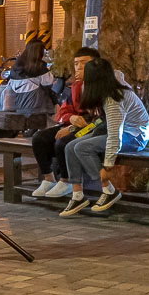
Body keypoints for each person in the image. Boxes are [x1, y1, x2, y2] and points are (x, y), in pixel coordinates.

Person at [60, 58, 149, 216]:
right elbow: (105, 125)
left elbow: (115, 135)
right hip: (115, 131)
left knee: (82, 147)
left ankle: (108, 189)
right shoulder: (104, 88)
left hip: (135, 136)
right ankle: (77, 196)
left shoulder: (113, 97)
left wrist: (108, 167)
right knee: (70, 147)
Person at [31, 47, 100, 198]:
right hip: (75, 125)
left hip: (94, 129)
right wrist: (71, 119)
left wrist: (71, 128)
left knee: (63, 142)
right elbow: (62, 112)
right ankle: (49, 179)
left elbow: (100, 119)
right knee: (39, 138)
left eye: (84, 63)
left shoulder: (102, 87)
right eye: (76, 64)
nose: (79, 67)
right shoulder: (75, 86)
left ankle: (66, 181)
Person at [3, 39, 55, 117]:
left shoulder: (16, 66)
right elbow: (49, 83)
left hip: (16, 107)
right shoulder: (40, 66)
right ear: (39, 51)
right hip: (35, 109)